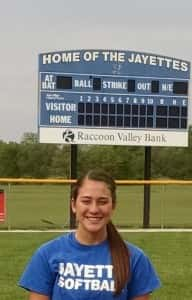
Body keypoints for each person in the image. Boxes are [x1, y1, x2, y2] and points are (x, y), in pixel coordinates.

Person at [19, 169, 161, 300]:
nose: (94, 209)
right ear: (74, 205)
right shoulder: (47, 254)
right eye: (86, 201)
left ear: (113, 206)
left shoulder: (135, 258)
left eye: (102, 202)